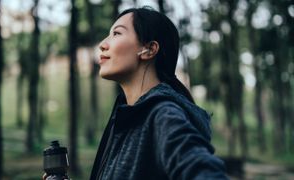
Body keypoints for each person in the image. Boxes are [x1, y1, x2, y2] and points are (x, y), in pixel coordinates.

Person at [89, 6, 228, 180]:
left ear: (149, 49)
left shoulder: (162, 114)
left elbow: (204, 171)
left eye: (116, 33)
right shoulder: (126, 117)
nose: (102, 45)